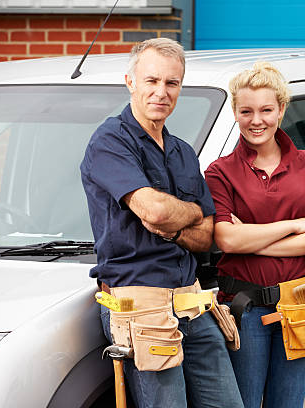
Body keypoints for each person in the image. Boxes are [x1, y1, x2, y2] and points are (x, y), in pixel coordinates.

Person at [80, 38, 243, 408]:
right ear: (130, 81)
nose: (161, 92)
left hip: (193, 303)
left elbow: (205, 235)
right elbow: (154, 212)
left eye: (171, 83)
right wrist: (190, 212)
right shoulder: (109, 141)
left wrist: (178, 219)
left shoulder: (182, 151)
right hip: (141, 307)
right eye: (151, 81)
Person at [204, 61, 305, 408]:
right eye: (246, 111)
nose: (256, 120)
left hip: (301, 304)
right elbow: (227, 241)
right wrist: (293, 225)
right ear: (235, 112)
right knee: (244, 404)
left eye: (266, 109)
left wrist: (254, 240)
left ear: (281, 109)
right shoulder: (220, 172)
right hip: (244, 309)